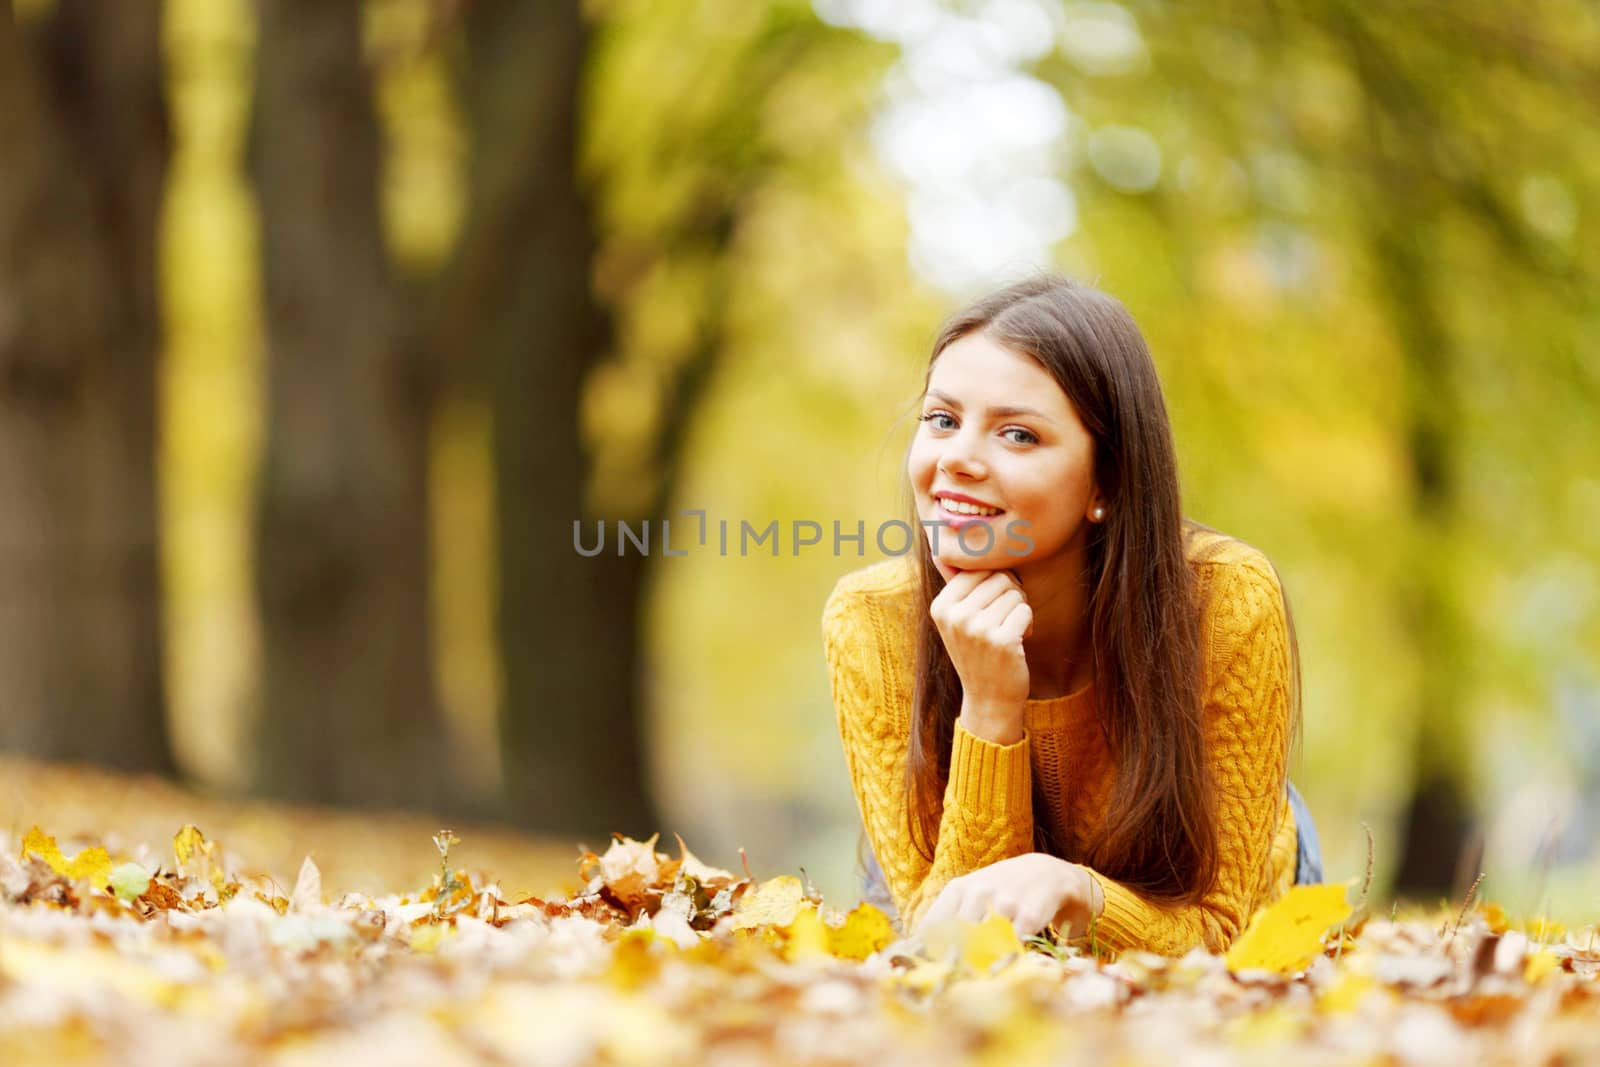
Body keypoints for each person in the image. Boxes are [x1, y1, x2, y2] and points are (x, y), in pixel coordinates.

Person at [822, 274, 1323, 958]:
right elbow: (952, 946)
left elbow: (1218, 933)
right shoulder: (870, 620)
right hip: (947, 880)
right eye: (942, 419)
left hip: (1223, 904)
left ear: (1106, 483)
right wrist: (991, 710)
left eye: (1018, 434)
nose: (957, 459)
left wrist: (1078, 893)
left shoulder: (1227, 598)